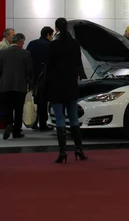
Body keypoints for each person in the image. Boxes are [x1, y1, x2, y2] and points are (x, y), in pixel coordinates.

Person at [45, 18, 88, 163]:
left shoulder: (53, 45)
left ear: (56, 28)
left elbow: (49, 66)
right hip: (71, 85)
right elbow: (78, 64)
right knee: (74, 118)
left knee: (59, 118)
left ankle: (62, 152)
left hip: (56, 86)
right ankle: (79, 149)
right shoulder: (75, 44)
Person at [0, 33, 34, 140]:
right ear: (20, 42)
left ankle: (8, 125)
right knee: (18, 109)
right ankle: (17, 131)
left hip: (5, 85)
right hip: (20, 85)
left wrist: (1, 80)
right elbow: (29, 71)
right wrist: (30, 84)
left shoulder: (3, 52)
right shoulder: (26, 53)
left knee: (7, 108)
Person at [26, 26, 54, 131]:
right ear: (48, 35)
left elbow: (27, 60)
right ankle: (43, 124)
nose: (52, 37)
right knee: (44, 101)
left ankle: (34, 122)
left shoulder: (31, 44)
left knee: (35, 101)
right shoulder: (50, 45)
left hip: (32, 77)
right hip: (45, 78)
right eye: (51, 35)